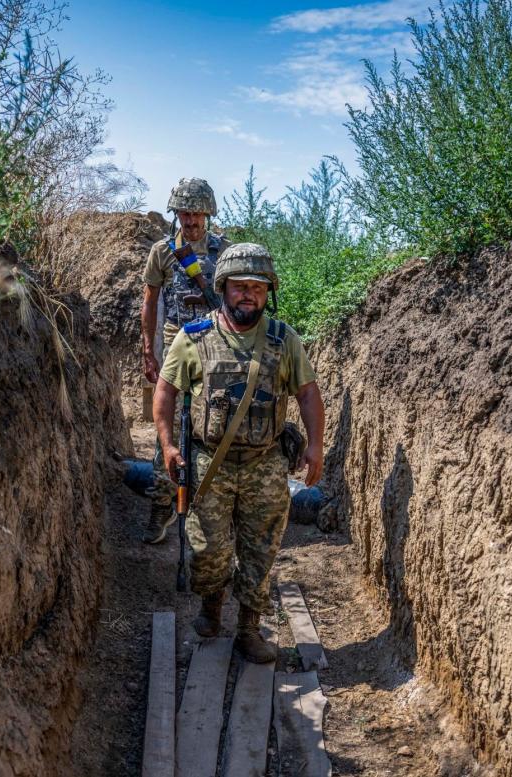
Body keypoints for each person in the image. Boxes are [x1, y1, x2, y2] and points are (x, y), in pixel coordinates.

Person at [152, 243, 325, 663]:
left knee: (260, 549)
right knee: (206, 550)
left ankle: (248, 627)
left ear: (268, 293)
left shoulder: (285, 341)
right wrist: (169, 446)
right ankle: (212, 606)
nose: (248, 294)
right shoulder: (194, 339)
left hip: (265, 462)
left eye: (257, 288)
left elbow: (307, 393)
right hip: (209, 462)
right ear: (223, 288)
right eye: (240, 286)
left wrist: (316, 445)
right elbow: (166, 392)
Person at [139, 178, 231, 544]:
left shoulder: (225, 252)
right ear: (175, 213)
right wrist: (149, 351)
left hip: (215, 341)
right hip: (176, 340)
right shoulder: (163, 251)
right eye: (184, 212)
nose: (190, 219)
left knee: (217, 422)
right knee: (170, 426)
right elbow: (150, 302)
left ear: (207, 213)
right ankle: (162, 505)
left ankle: (216, 509)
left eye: (196, 212)